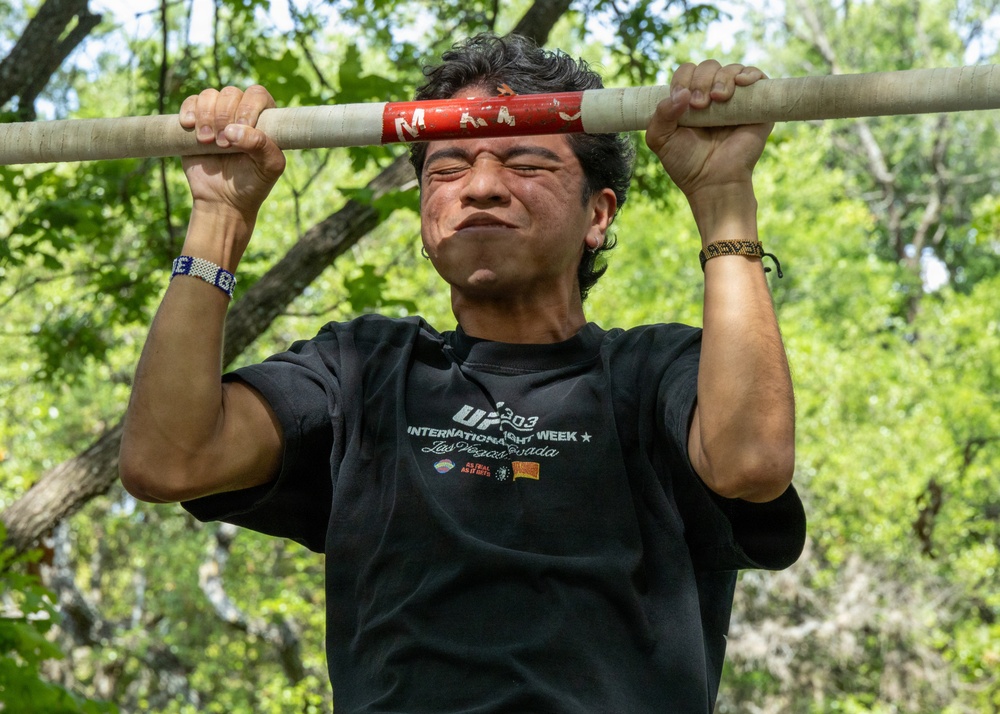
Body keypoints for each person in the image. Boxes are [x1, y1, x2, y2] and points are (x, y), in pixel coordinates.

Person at [120, 33, 805, 713]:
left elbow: (751, 462)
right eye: (446, 171)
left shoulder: (657, 373)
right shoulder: (361, 370)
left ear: (597, 214)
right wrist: (218, 217)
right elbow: (168, 461)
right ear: (423, 212)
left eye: (527, 164)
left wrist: (722, 198)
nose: (480, 186)